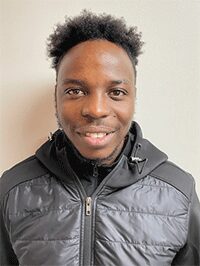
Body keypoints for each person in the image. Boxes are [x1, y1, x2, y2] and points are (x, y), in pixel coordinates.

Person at [0, 10, 199, 266]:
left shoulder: (179, 192)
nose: (96, 109)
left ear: (133, 97)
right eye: (75, 90)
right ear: (57, 96)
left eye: (116, 92)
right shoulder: (13, 188)